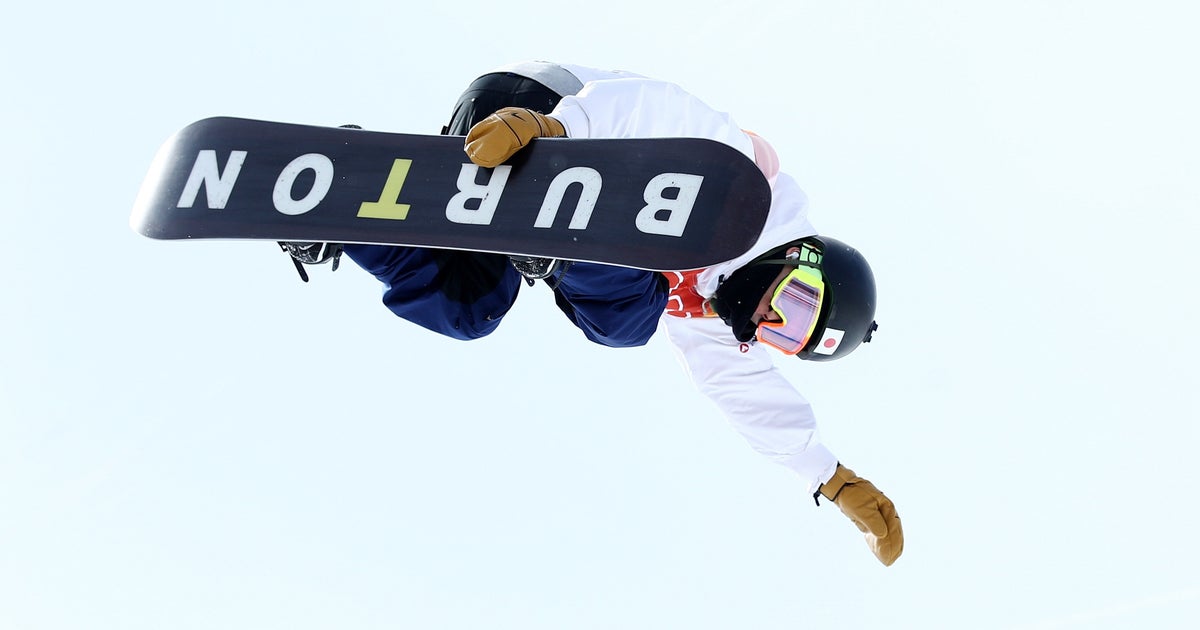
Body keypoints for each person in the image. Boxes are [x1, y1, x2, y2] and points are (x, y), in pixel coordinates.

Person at [282, 61, 904, 566]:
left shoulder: (713, 309)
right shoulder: (744, 187)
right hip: (540, 110)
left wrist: (827, 474)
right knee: (634, 319)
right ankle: (554, 231)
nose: (771, 321)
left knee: (470, 306)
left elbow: (739, 388)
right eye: (797, 304)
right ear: (806, 256)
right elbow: (654, 104)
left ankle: (345, 202)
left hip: (509, 174)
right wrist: (558, 130)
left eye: (787, 337)